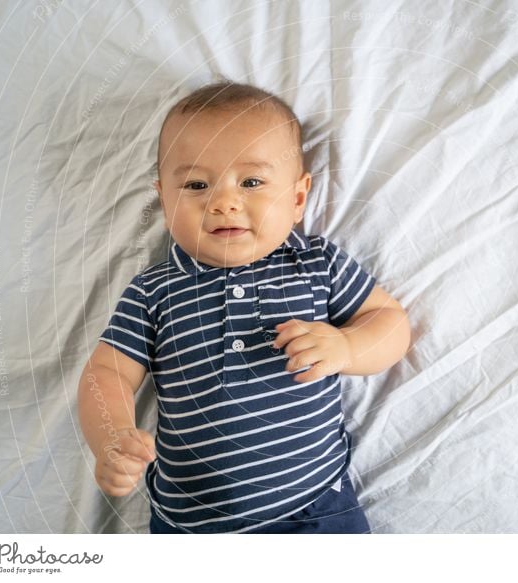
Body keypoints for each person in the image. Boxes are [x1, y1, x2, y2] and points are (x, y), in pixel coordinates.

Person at [77, 81, 410, 533]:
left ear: (296, 198)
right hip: (192, 528)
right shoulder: (154, 290)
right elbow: (106, 374)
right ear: (164, 198)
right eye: (196, 184)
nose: (223, 202)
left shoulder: (315, 265)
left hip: (313, 511)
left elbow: (390, 322)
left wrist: (347, 347)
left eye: (252, 182)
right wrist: (112, 438)